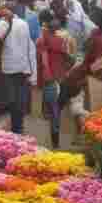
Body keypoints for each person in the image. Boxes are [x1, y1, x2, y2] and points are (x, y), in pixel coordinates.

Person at [0, 8, 36, 134]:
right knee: (19, 98)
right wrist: (32, 72)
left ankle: (12, 130)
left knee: (9, 99)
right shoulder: (24, 24)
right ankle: (18, 127)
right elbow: (30, 47)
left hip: (7, 68)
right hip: (22, 66)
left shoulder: (2, 24)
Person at [37, 9, 75, 148]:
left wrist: (44, 78)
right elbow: (70, 60)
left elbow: (42, 62)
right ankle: (55, 140)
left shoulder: (42, 41)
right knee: (56, 111)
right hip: (60, 79)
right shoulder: (63, 41)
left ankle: (53, 140)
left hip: (50, 80)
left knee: (52, 111)